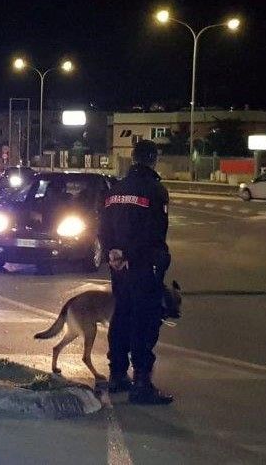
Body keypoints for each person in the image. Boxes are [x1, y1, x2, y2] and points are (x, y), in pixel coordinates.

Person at [99, 140, 174, 405]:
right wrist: (137, 256)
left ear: (133, 159)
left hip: (119, 266)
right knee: (145, 320)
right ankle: (142, 383)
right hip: (143, 265)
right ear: (153, 159)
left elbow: (103, 227)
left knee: (121, 315)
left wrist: (113, 253)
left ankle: (117, 375)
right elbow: (154, 232)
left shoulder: (115, 190)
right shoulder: (155, 190)